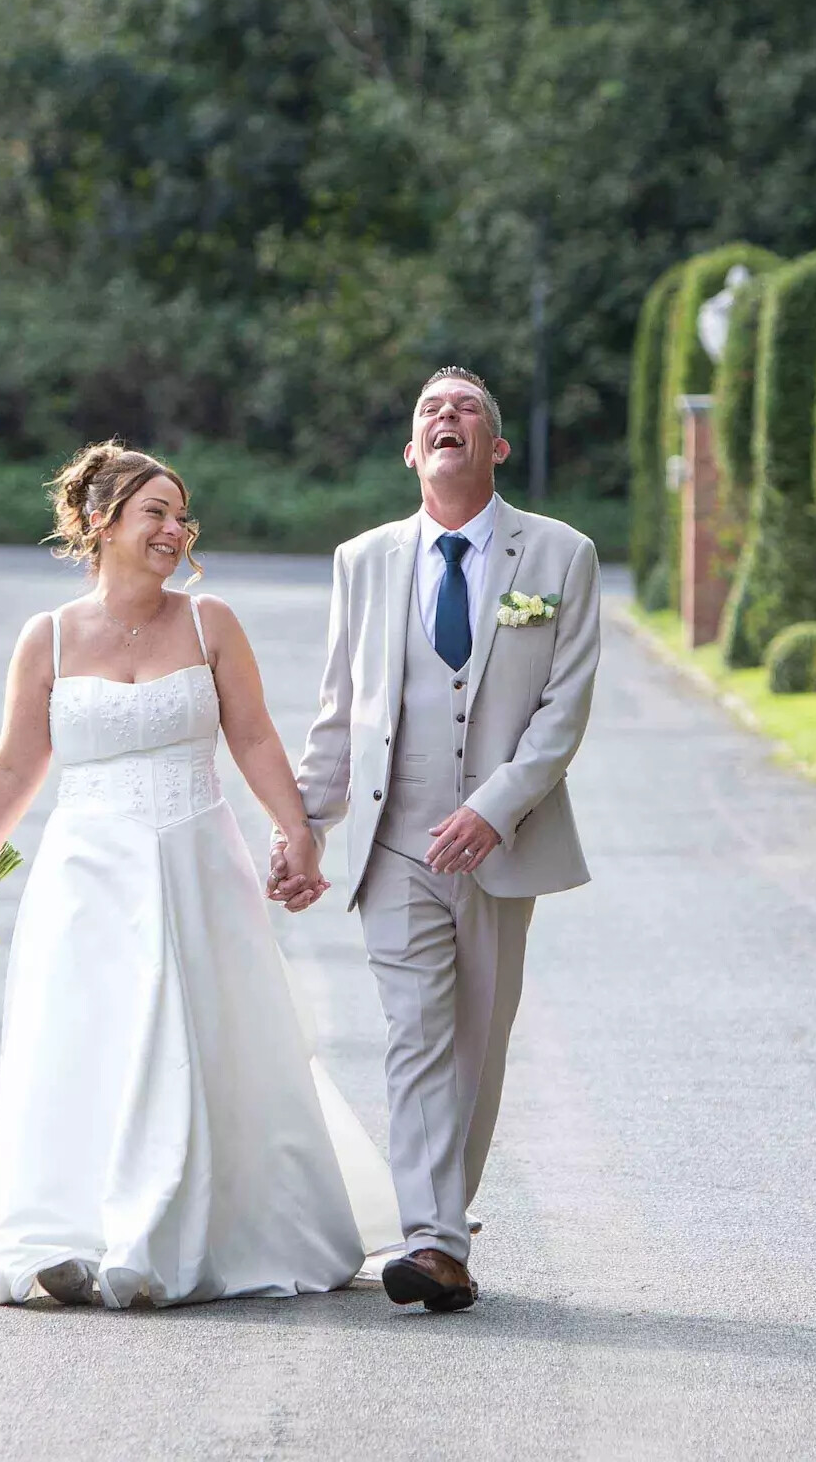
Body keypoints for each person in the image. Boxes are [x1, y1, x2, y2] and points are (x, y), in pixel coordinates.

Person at [0, 442, 396, 1308]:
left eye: (181, 514)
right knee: (90, 1041)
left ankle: (200, 1227)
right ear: (101, 522)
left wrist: (295, 830)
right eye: (155, 511)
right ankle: (74, 1226)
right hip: (88, 875)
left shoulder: (209, 621)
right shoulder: (49, 639)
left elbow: (254, 736)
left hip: (196, 862)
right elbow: (16, 767)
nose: (174, 529)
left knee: (200, 1042)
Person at [271, 367, 602, 1314]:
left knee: (477, 1045)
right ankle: (434, 1241)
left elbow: (561, 713)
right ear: (413, 453)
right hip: (394, 843)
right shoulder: (363, 559)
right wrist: (305, 827)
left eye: (466, 410)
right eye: (429, 412)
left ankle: (440, 1223)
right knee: (415, 1034)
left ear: (495, 449)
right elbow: (339, 711)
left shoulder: (561, 556)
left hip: (502, 842)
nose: (445, 418)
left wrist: (495, 806)